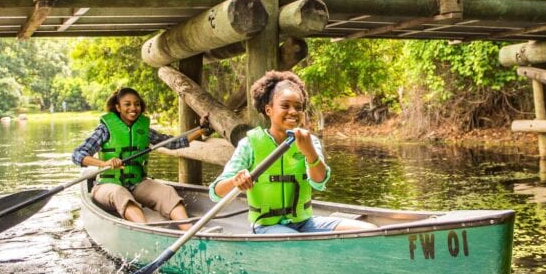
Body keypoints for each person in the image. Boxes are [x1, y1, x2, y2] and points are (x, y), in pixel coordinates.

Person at [209, 71, 377, 234]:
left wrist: (310, 152)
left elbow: (319, 182)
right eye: (285, 106)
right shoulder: (249, 145)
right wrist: (236, 180)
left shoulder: (309, 141)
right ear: (269, 110)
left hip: (304, 222)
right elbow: (215, 193)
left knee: (368, 230)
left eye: (298, 107)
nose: (293, 112)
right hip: (266, 226)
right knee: (293, 239)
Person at [73, 87, 207, 231]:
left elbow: (173, 143)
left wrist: (201, 130)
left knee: (166, 192)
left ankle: (190, 231)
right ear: (118, 107)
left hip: (137, 184)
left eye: (137, 104)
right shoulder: (104, 129)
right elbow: (78, 155)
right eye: (127, 104)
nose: (133, 108)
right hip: (107, 185)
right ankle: (146, 232)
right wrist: (104, 163)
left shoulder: (144, 129)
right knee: (120, 194)